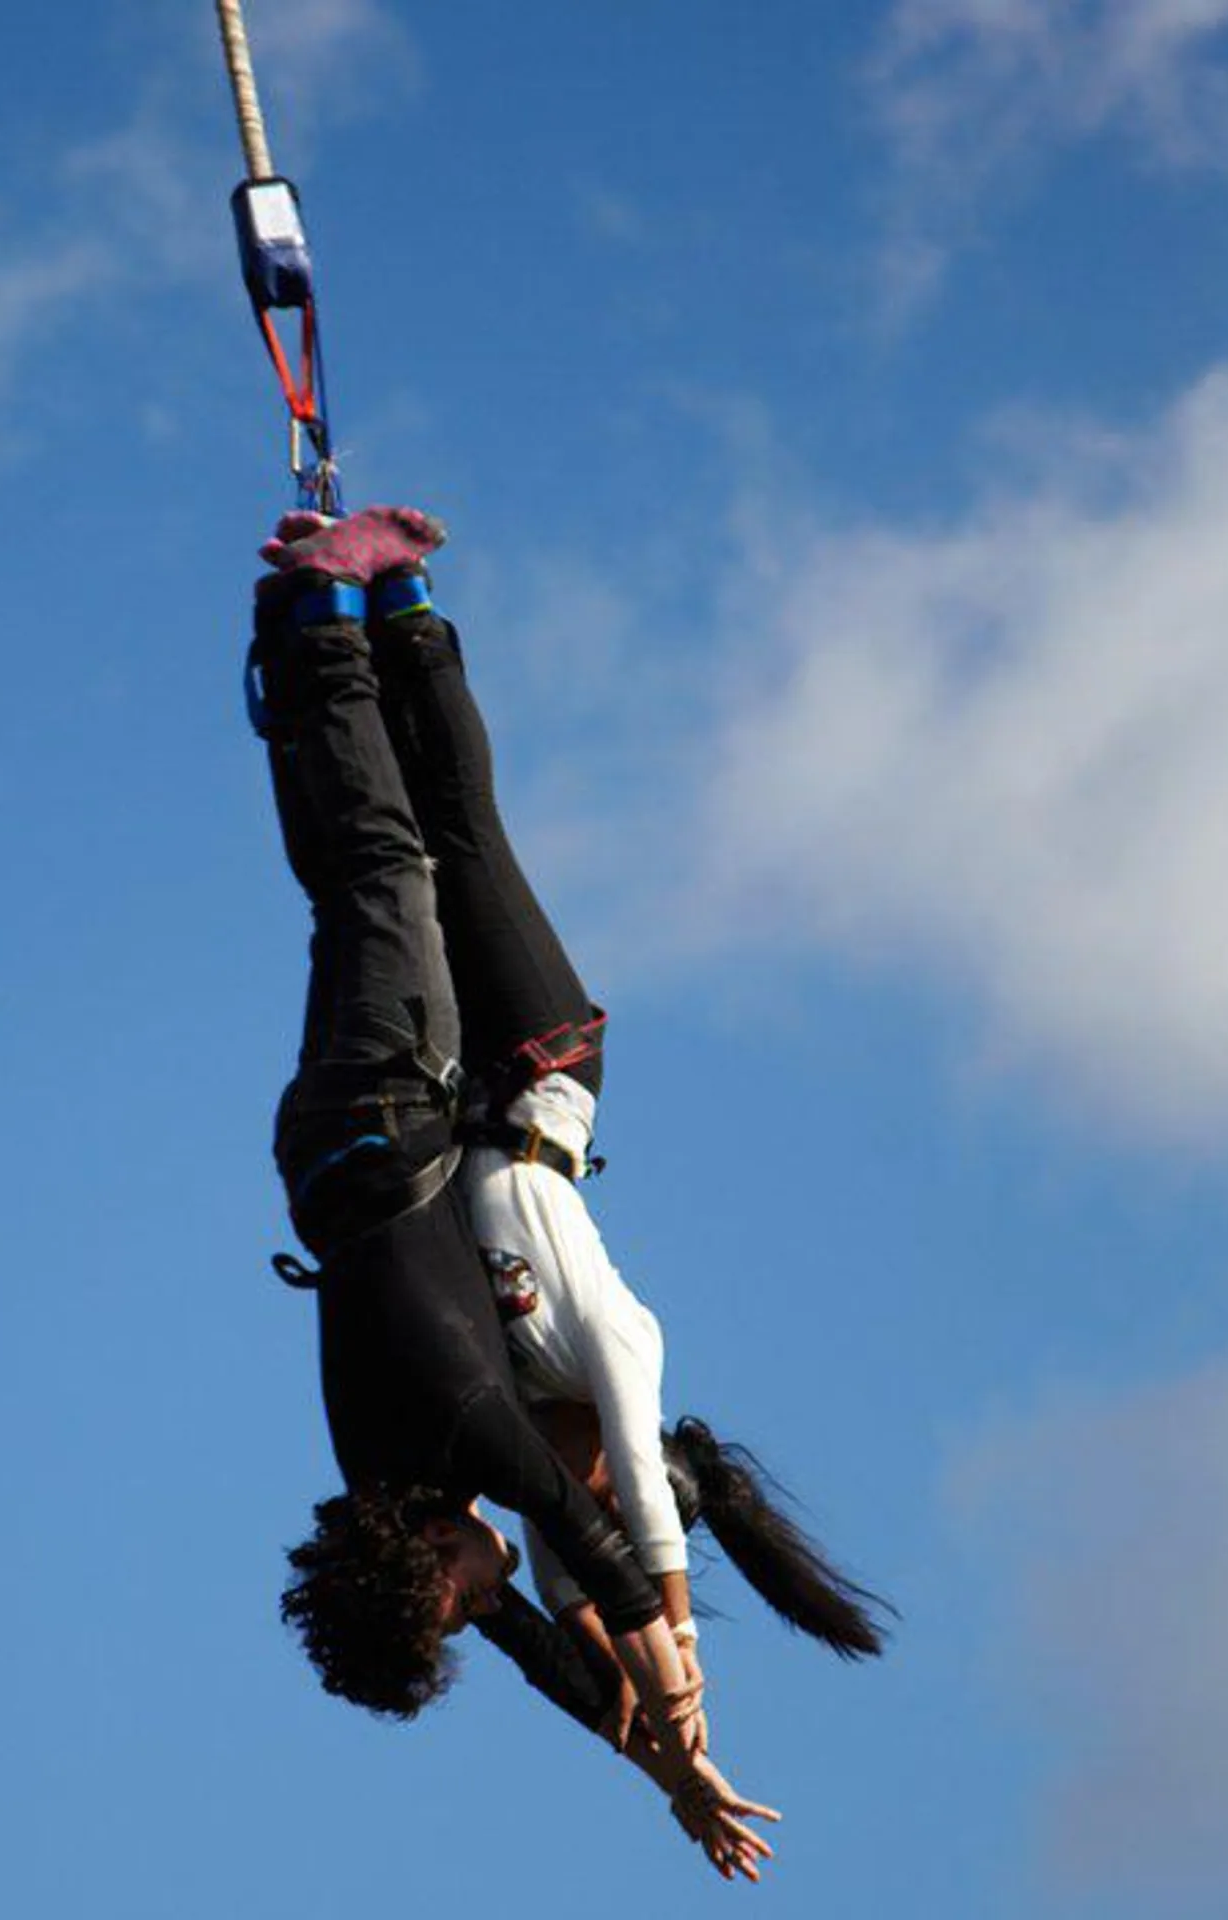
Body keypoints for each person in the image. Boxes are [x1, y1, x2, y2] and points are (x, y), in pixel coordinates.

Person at [246, 505, 776, 1879]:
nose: (487, 1609)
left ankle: (320, 612)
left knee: (391, 866)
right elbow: (545, 1643)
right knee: (349, 887)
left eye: (454, 1611)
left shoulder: (467, 1429)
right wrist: (663, 1777)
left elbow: (600, 1554)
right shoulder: (390, 1476)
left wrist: (680, 1709)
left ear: (429, 1566)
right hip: (329, 1150)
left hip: (390, 1105)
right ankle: (301, 626)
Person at [348, 534, 891, 1736]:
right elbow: (640, 1507)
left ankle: (343, 644)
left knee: (396, 867)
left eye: (576, 1499)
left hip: (447, 1090)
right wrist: (681, 1645)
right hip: (541, 1065)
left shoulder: (511, 1445)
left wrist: (674, 1768)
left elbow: (560, 1643)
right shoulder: (620, 1356)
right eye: (599, 1475)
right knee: (466, 836)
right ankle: (413, 614)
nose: (578, 1494)